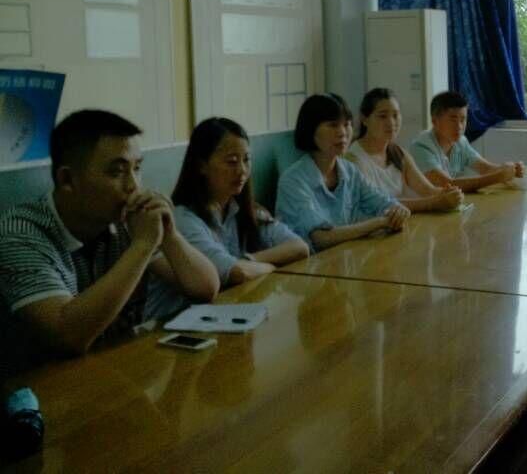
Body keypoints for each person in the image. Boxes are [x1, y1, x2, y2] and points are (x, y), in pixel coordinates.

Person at [0, 110, 219, 378]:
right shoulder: (20, 233)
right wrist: (142, 246)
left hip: (114, 372)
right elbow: (68, 336)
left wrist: (170, 235)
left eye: (137, 168)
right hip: (43, 387)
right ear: (67, 179)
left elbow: (205, 288)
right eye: (117, 172)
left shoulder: (125, 220)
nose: (134, 186)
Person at [144, 117, 309, 320]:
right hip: (170, 327)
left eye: (246, 160)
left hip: (220, 317)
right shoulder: (183, 219)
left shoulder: (244, 210)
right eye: (231, 161)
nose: (242, 170)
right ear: (201, 165)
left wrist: (252, 260)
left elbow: (299, 247)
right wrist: (271, 267)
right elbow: (237, 273)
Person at [276, 93, 410, 251]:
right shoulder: (293, 180)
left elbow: (385, 203)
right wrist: (379, 223)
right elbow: (321, 238)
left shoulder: (349, 170)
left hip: (344, 257)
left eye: (347, 124)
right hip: (310, 264)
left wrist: (398, 212)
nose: (343, 132)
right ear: (310, 130)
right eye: (333, 125)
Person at [346, 88, 464, 213]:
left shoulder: (398, 152)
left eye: (395, 115)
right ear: (364, 119)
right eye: (382, 116)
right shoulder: (353, 159)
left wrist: (449, 193)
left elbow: (427, 189)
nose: (391, 122)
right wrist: (434, 203)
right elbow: (380, 204)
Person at [409, 91, 523, 193]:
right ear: (435, 121)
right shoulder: (421, 148)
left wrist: (511, 170)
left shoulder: (461, 142)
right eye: (453, 119)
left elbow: (486, 169)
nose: (459, 126)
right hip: (420, 209)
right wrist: (498, 177)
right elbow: (448, 185)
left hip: (446, 206)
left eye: (463, 119)